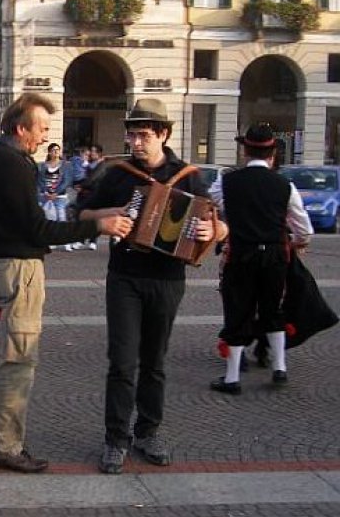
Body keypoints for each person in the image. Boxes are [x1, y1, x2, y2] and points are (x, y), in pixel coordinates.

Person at [0, 93, 133, 473]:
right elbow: (37, 227)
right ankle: (6, 446)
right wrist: (98, 225)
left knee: (13, 355)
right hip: (18, 265)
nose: (44, 137)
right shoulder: (13, 164)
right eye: (41, 128)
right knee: (20, 360)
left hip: (3, 261)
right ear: (21, 128)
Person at [78, 98, 227, 474]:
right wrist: (111, 216)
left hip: (168, 279)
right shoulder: (118, 174)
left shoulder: (188, 175)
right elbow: (83, 214)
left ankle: (148, 432)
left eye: (143, 135)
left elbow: (217, 225)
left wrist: (213, 231)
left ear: (163, 134)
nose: (135, 142)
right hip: (125, 276)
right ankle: (115, 439)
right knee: (123, 362)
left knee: (155, 362)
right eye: (131, 134)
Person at [209, 124, 313, 395]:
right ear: (273, 153)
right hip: (275, 256)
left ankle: (232, 378)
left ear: (245, 150)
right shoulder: (284, 185)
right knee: (273, 309)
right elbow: (303, 227)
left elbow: (213, 203)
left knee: (238, 312)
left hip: (241, 254)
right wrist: (299, 242)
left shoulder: (227, 181)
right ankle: (280, 367)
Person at [37, 142, 74, 251]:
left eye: (58, 150)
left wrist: (56, 193)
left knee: (61, 218)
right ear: (49, 152)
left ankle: (66, 241)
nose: (56, 152)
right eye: (53, 150)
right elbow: (40, 181)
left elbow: (67, 181)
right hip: (46, 196)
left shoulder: (66, 165)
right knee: (48, 218)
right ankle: (51, 240)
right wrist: (46, 192)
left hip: (60, 196)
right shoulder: (43, 166)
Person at [71, 143, 105, 251]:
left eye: (94, 151)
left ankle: (93, 240)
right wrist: (76, 185)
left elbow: (94, 180)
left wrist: (82, 186)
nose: (91, 153)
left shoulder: (102, 165)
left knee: (94, 217)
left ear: (99, 153)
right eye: (91, 151)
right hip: (83, 194)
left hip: (95, 194)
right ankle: (80, 239)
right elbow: (76, 175)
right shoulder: (86, 164)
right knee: (81, 216)